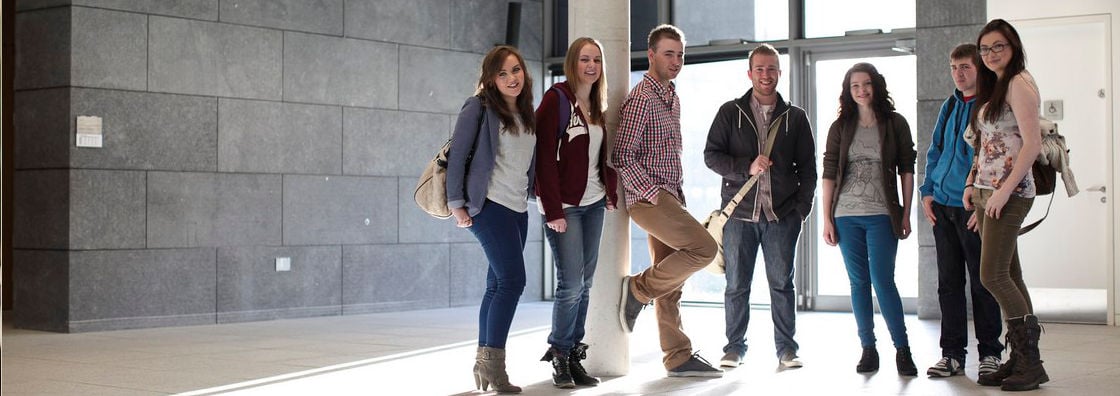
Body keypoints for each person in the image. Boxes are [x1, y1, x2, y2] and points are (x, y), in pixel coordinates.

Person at [613, 24, 722, 378]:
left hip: (670, 196)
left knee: (672, 283)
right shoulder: (641, 97)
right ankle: (637, 288)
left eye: (680, 54)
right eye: (668, 54)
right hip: (649, 198)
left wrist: (673, 196)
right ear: (651, 55)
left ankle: (677, 356)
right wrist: (652, 193)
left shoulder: (672, 97)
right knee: (704, 250)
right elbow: (622, 155)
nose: (675, 61)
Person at [703, 43, 816, 370]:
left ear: (780, 73)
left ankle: (787, 350)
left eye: (771, 69)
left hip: (782, 215)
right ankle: (734, 348)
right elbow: (711, 156)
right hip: (739, 215)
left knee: (782, 285)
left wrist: (801, 211)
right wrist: (745, 166)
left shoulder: (795, 117)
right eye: (760, 69)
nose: (766, 75)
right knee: (736, 285)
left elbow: (808, 169)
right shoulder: (730, 112)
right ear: (750, 73)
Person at [446, 45, 537, 394]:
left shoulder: (527, 112)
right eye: (503, 73)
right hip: (488, 206)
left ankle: (483, 365)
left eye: (516, 70)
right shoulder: (479, 107)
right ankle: (495, 370)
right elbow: (457, 157)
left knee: (497, 284)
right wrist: (457, 203)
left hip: (516, 207)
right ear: (490, 79)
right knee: (513, 281)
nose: (512, 78)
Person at [821, 62, 918, 376]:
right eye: (855, 86)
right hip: (846, 215)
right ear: (848, 92)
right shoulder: (840, 127)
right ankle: (868, 349)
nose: (861, 90)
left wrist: (905, 212)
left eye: (866, 84)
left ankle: (902, 350)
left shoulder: (895, 123)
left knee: (883, 280)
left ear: (876, 86)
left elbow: (907, 168)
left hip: (881, 214)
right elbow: (829, 174)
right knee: (858, 283)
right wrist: (826, 218)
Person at [965, 19, 1046, 392]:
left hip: (1010, 193)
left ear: (1012, 46)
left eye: (998, 46)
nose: (991, 54)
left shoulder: (1019, 83)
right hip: (986, 191)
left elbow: (1031, 144)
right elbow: (985, 142)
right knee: (1010, 275)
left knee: (992, 275)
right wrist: (973, 184)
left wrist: (1001, 191)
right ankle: (1021, 359)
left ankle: (1031, 363)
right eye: (985, 49)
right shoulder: (995, 85)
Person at [533, 37, 618, 388]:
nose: (591, 66)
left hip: (594, 203)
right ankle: (559, 353)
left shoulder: (596, 103)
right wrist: (552, 208)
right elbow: (542, 160)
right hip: (564, 207)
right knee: (569, 284)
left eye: (596, 60)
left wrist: (609, 192)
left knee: (584, 284)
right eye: (585, 59)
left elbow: (598, 157)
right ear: (572, 63)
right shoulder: (557, 99)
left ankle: (572, 355)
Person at [920, 43, 1004, 378]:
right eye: (954, 67)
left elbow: (997, 159)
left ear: (979, 68)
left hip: (974, 209)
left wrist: (982, 206)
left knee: (984, 284)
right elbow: (935, 149)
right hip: (942, 207)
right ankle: (952, 354)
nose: (959, 73)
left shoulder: (992, 106)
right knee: (948, 284)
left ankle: (991, 355)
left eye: (966, 67)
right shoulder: (949, 105)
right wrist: (927, 192)